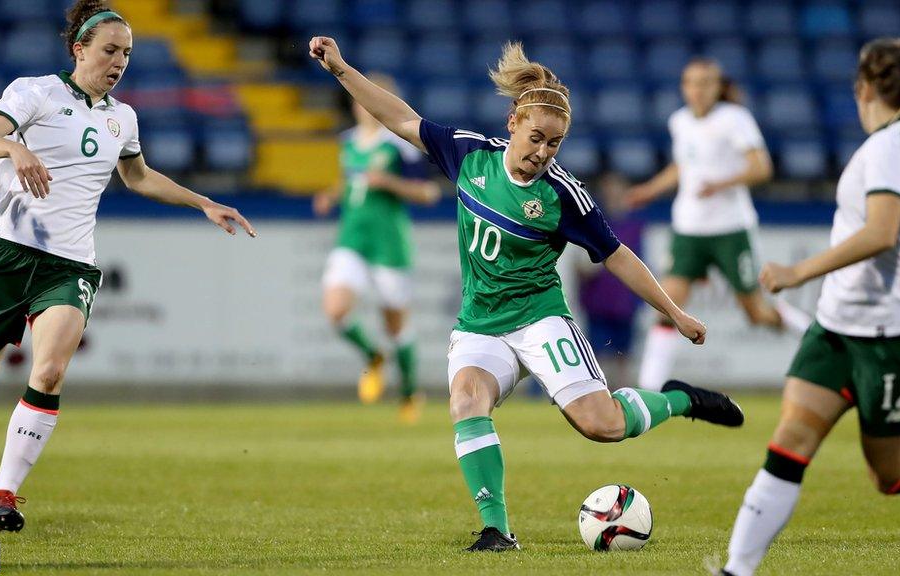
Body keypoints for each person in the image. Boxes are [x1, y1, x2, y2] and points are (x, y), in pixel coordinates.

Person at [309, 37, 744, 552]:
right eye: (536, 137)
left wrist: (673, 311)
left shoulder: (563, 196)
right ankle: (496, 529)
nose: (543, 152)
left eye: (554, 144)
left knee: (602, 426)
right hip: (480, 322)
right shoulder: (469, 155)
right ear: (513, 122)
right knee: (467, 399)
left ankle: (681, 397)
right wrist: (341, 70)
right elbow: (399, 118)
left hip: (540, 319)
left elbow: (618, 254)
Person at [718, 39, 900, 576]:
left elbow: (882, 232)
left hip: (894, 341)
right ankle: (737, 571)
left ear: (864, 88)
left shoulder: (891, 150)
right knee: (787, 445)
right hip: (835, 330)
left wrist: (798, 272)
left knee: (891, 475)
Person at [0, 0, 255, 532]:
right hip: (4, 253)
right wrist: (12, 151)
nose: (119, 62)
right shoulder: (34, 91)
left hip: (70, 266)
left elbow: (138, 178)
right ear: (79, 48)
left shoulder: (121, 117)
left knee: (51, 370)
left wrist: (203, 201)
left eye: (127, 54)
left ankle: (4, 497)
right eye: (110, 50)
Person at [626, 58, 810, 392]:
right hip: (688, 230)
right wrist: (649, 189)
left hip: (730, 230)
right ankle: (650, 388)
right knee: (667, 305)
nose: (697, 90)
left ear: (717, 87)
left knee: (755, 313)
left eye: (704, 82)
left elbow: (761, 168)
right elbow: (684, 165)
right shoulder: (679, 121)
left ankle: (808, 332)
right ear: (684, 87)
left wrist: (721, 183)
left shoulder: (734, 119)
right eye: (691, 83)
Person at [312, 73, 440, 421]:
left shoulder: (398, 143)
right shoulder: (348, 142)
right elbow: (349, 181)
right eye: (359, 98)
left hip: (388, 243)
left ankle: (411, 391)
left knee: (396, 326)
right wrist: (331, 195)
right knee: (336, 310)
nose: (363, 105)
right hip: (352, 238)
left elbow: (429, 193)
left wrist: (389, 182)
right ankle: (373, 355)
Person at [574, 172, 645, 386]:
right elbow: (581, 266)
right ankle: (598, 391)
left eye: (616, 190)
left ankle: (625, 393)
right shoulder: (593, 222)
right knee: (598, 353)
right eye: (608, 191)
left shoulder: (635, 227)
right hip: (598, 302)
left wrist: (639, 299)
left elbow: (642, 264)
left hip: (625, 302)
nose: (612, 195)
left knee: (624, 354)